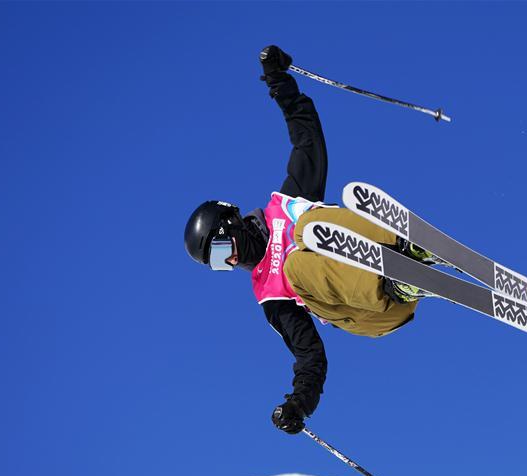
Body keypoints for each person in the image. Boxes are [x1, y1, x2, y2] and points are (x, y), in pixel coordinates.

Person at [184, 46, 431, 435]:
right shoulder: (270, 295)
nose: (229, 262)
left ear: (230, 223)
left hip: (380, 248)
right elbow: (310, 356)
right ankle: (397, 281)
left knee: (305, 229)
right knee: (296, 267)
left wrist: (279, 81)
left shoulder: (286, 203)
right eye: (218, 264)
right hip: (376, 311)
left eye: (220, 250)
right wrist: (299, 404)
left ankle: (403, 249)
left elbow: (307, 139)